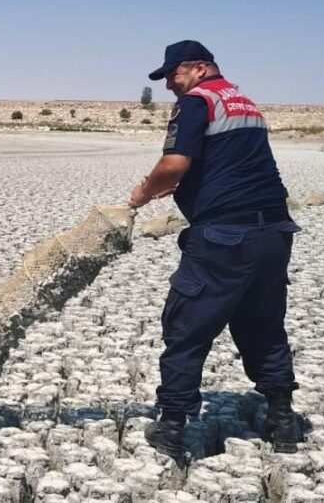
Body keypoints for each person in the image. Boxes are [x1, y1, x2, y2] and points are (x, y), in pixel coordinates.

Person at [127, 40, 302, 458]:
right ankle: (282, 419)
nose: (170, 82)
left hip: (225, 237)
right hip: (274, 234)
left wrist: (142, 194)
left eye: (175, 73)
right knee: (264, 325)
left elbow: (175, 165)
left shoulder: (196, 102)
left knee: (187, 327)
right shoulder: (245, 103)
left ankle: (171, 427)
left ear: (201, 68)